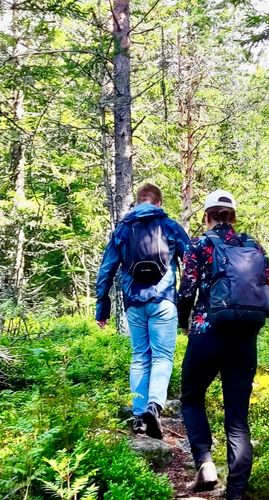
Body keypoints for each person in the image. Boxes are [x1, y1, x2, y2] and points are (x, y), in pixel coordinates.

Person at [178, 189, 269, 500]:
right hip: (244, 340)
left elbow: (186, 292)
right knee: (237, 419)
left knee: (192, 397)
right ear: (233, 216)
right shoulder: (254, 246)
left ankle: (205, 463)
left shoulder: (199, 245)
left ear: (207, 215)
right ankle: (235, 494)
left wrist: (186, 323)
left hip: (207, 332)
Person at [95, 183, 190, 439]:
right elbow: (192, 263)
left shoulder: (123, 229)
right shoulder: (169, 226)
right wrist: (189, 303)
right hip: (164, 300)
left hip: (134, 302)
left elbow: (106, 270)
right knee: (162, 356)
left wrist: (102, 307)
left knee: (139, 356)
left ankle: (139, 417)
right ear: (159, 203)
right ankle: (154, 405)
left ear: (137, 202)